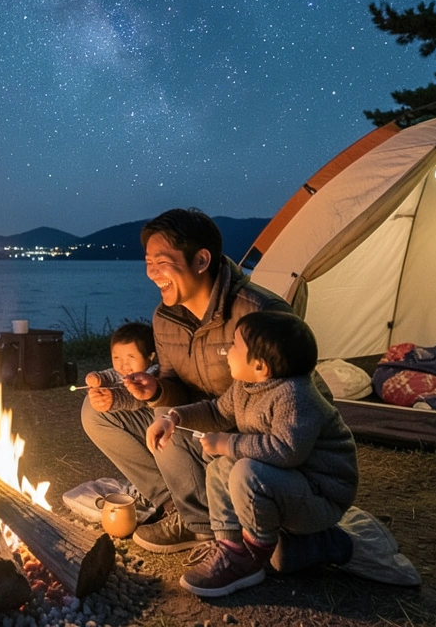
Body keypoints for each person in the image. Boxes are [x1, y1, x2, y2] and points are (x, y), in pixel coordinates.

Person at [80, 207, 293, 555]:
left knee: (169, 418)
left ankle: (211, 524)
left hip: (243, 438)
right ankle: (177, 507)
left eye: (161, 261)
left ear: (201, 260)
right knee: (98, 410)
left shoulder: (257, 312)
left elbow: (285, 404)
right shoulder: (165, 317)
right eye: (147, 261)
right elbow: (172, 382)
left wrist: (188, 416)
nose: (151, 273)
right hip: (194, 424)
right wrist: (156, 390)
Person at [147, 311, 358, 597]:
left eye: (235, 346)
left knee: (246, 471)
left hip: (320, 496)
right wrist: (173, 417)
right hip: (289, 486)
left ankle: (249, 559)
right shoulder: (247, 387)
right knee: (221, 468)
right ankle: (232, 547)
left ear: (260, 366)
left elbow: (285, 451)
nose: (227, 352)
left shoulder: (295, 397)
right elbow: (216, 412)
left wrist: (227, 443)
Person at [82, 321, 157, 415]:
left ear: (150, 357)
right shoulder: (122, 372)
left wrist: (115, 398)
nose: (124, 365)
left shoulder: (154, 374)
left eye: (131, 357)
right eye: (117, 358)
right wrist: (98, 379)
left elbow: (137, 398)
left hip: (151, 415)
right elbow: (111, 375)